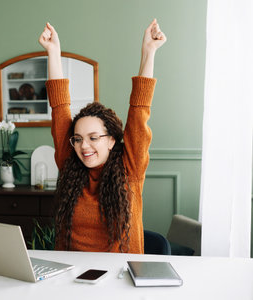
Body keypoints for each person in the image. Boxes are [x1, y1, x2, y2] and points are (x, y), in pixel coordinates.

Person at [38, 19, 166, 253]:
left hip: (119, 280)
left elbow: (139, 111)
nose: (83, 146)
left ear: (111, 140)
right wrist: (53, 52)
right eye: (77, 138)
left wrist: (149, 52)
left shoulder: (130, 169)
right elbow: (59, 108)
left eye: (93, 137)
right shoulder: (70, 165)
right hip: (71, 278)